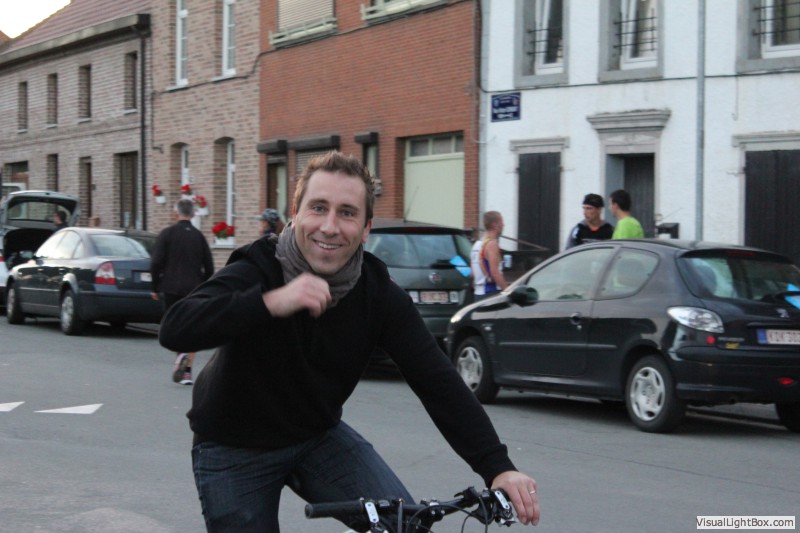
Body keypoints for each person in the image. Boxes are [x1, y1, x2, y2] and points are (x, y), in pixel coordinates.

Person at [158, 152, 540, 531]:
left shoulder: (377, 293)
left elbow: (437, 380)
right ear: (296, 213)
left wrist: (498, 467)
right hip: (233, 443)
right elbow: (177, 328)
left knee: (405, 527)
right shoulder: (258, 268)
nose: (330, 226)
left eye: (347, 213)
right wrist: (270, 302)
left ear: (366, 227)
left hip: (315, 436)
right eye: (318, 208)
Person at [150, 198, 214, 385]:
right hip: (194, 288)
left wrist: (155, 286)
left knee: (174, 325)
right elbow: (209, 266)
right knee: (192, 327)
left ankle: (180, 355)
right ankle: (187, 372)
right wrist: (203, 285)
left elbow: (155, 263)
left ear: (175, 213)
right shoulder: (199, 237)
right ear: (192, 214)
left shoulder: (167, 234)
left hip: (170, 288)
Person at [470, 210, 509, 300]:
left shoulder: (476, 245)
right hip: (491, 293)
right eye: (501, 222)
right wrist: (508, 291)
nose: (503, 225)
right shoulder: (491, 244)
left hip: (478, 294)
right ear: (494, 225)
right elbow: (495, 273)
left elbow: (472, 274)